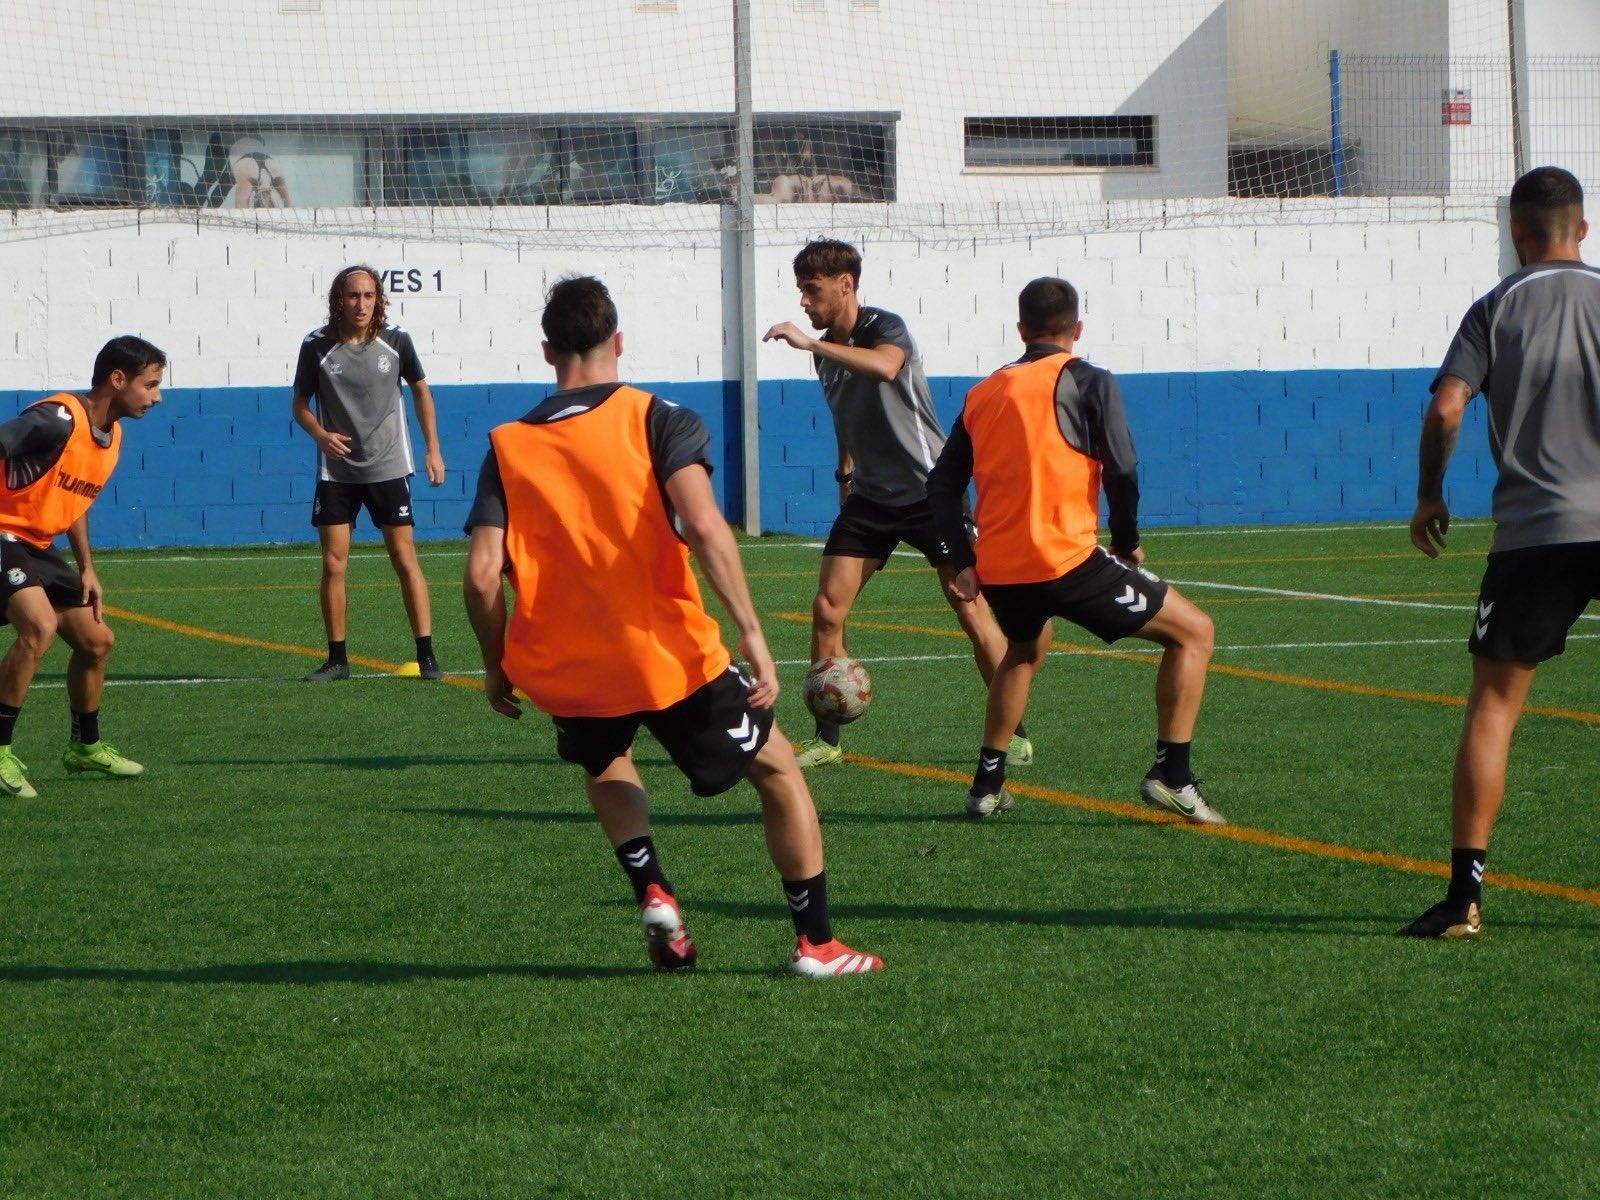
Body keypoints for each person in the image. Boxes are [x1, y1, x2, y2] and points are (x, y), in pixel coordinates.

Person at [462, 275, 882, 977]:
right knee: (780, 772)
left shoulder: (507, 445)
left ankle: (652, 886)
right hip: (668, 655)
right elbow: (702, 523)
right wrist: (750, 631)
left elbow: (479, 575)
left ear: (546, 352)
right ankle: (818, 945)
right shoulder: (657, 417)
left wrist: (496, 662)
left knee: (605, 761)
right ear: (617, 343)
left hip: (565, 666)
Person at [926, 278, 1223, 823]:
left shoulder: (984, 391)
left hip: (1003, 569)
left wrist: (964, 562)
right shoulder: (1088, 379)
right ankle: (1171, 774)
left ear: (1021, 330)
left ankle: (986, 786)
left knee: (1021, 654)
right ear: (1077, 329)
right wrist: (1127, 540)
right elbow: (1123, 467)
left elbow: (941, 487)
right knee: (1195, 632)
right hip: (1066, 560)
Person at [1402, 166, 1600, 940]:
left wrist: (1429, 494)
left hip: (1536, 534)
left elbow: (1447, 405)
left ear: (1517, 235)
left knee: (1494, 707)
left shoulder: (1497, 306)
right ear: (1582, 229)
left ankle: (1464, 899)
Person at [762, 239, 1032, 768]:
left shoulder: (886, 328)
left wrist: (811, 346)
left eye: (811, 291)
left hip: (931, 492)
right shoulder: (828, 354)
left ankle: (1015, 730)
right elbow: (844, 413)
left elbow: (885, 368)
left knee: (969, 609)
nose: (804, 303)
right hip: (870, 500)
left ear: (845, 285)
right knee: (826, 609)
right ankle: (827, 740)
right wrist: (845, 471)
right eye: (800, 291)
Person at [0, 336, 165, 798]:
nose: (157, 397)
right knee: (39, 628)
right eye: (150, 385)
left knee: (97, 641)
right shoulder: (59, 418)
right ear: (118, 379)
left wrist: (87, 568)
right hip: (3, 535)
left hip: (35, 546)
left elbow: (75, 500)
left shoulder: (112, 435)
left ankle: (84, 747)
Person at [293, 264, 446, 681]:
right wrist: (320, 435)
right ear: (338, 300)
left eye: (368, 296)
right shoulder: (316, 346)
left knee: (404, 558)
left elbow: (421, 390)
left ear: (378, 299)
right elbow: (300, 405)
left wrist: (433, 449)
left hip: (389, 466)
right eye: (352, 296)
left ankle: (427, 653)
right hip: (337, 472)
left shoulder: (396, 343)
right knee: (334, 563)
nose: (361, 304)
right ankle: (337, 659)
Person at [228, 134, 291, 209]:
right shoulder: (248, 175)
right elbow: (241, 211)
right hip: (240, 151)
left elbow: (289, 204)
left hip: (259, 154)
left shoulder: (276, 174)